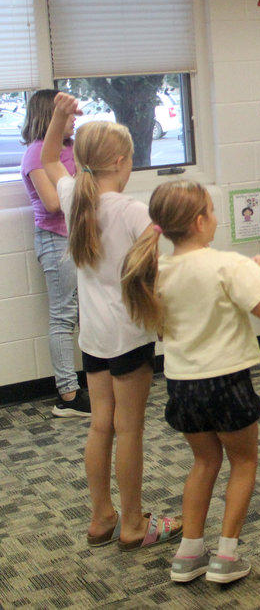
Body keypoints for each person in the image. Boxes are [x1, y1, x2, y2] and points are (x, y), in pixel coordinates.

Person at [122, 180, 260, 584]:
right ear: (199, 221)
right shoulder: (228, 264)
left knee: (204, 461)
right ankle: (226, 557)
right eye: (211, 211)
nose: (215, 218)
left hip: (183, 387)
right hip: (228, 382)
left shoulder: (155, 271)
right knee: (243, 462)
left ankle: (188, 552)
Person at [40, 92, 182, 551]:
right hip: (129, 335)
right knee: (129, 429)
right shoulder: (131, 210)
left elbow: (47, 159)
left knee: (101, 424)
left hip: (95, 337)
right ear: (120, 160)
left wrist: (60, 116)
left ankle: (101, 517)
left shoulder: (73, 197)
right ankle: (135, 524)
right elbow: (153, 271)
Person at [20, 89, 88, 416]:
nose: (74, 119)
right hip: (55, 239)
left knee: (82, 311)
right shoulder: (36, 153)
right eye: (69, 114)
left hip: (77, 236)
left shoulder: (72, 149)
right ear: (51, 116)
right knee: (63, 315)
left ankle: (85, 385)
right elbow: (52, 202)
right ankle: (68, 396)